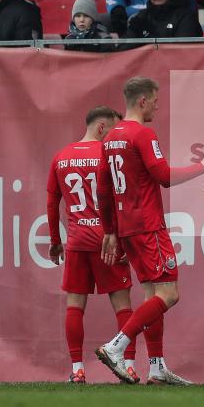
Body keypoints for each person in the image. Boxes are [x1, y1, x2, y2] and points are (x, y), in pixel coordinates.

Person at [94, 76, 204, 385]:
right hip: (148, 226)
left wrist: (111, 230)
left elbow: (103, 189)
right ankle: (116, 346)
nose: (158, 106)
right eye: (155, 101)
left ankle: (156, 367)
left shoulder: (110, 138)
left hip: (128, 228)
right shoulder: (142, 134)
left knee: (152, 295)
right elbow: (164, 176)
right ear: (142, 101)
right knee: (169, 294)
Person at [46, 106, 138, 384]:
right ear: (101, 127)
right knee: (122, 305)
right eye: (114, 130)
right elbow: (123, 199)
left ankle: (77, 370)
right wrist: (125, 240)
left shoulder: (61, 156)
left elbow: (52, 202)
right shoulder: (108, 155)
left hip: (77, 241)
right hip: (108, 240)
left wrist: (55, 241)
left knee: (75, 305)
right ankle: (128, 366)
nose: (117, 136)